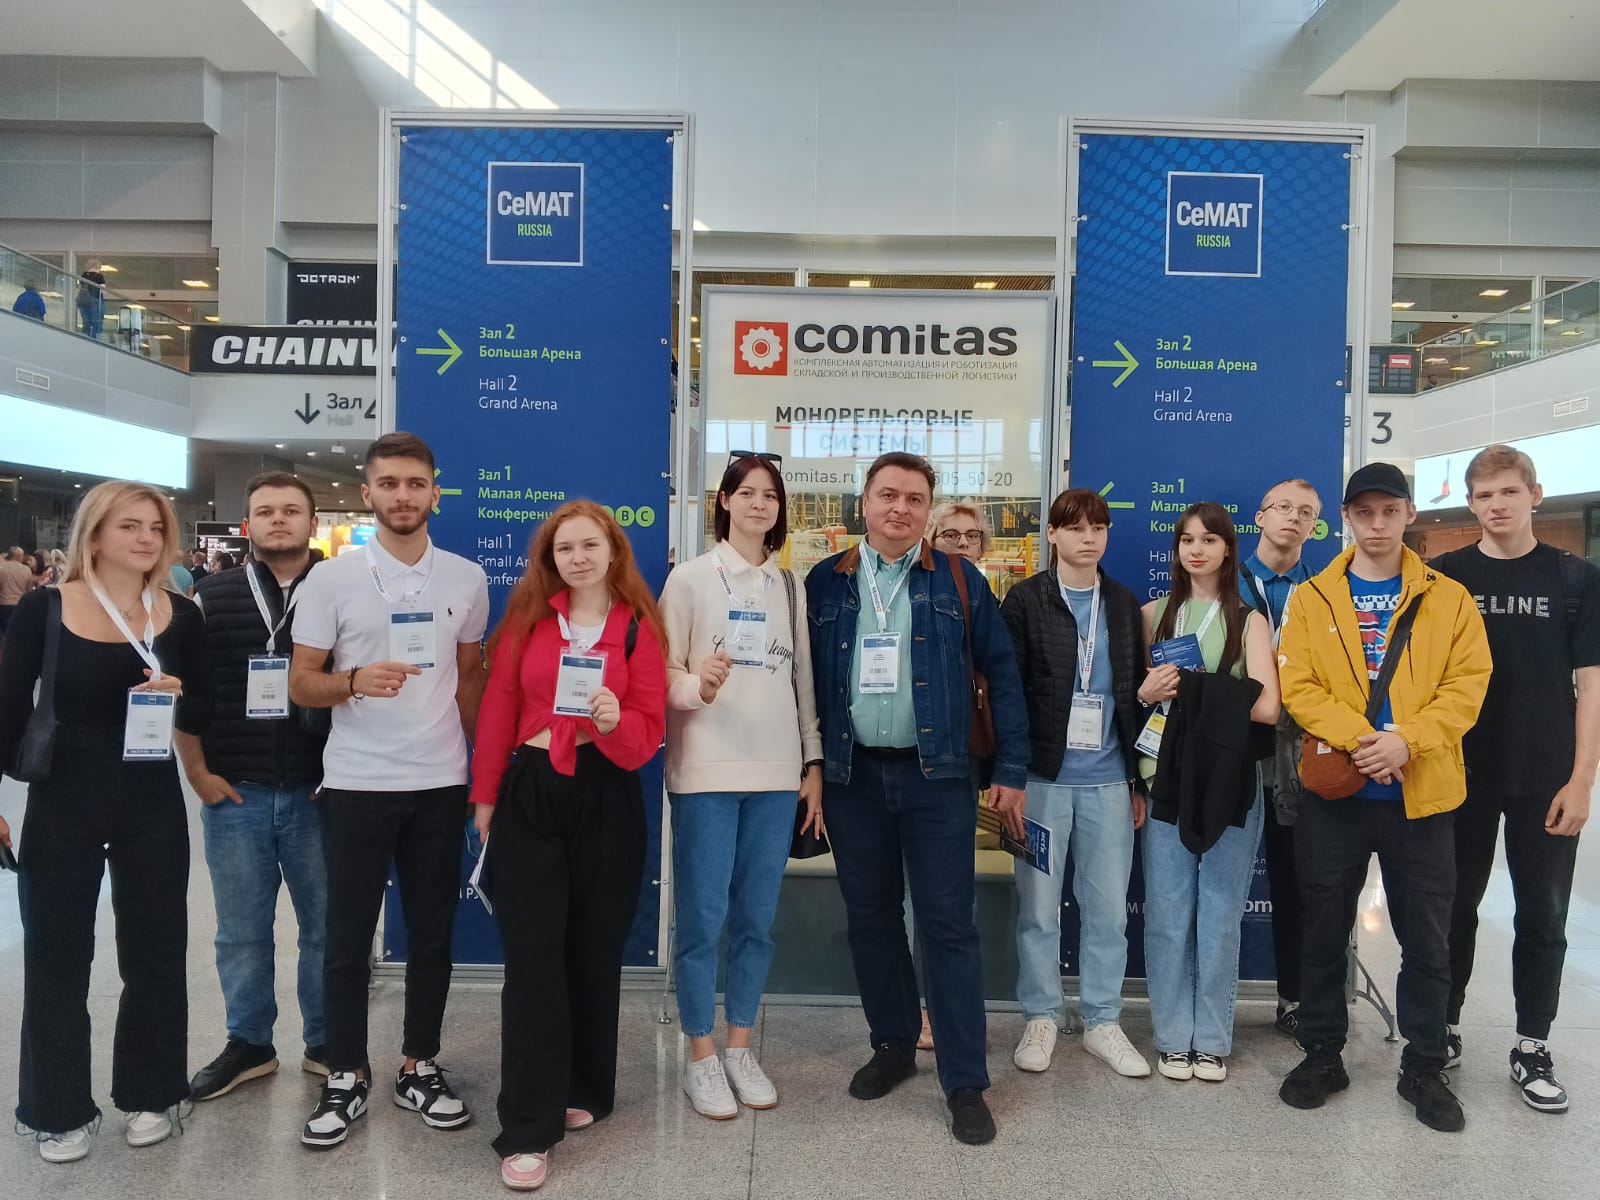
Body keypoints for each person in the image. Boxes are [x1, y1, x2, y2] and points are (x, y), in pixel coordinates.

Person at [805, 451, 1030, 1146]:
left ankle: (964, 1081)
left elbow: (1002, 673)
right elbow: (805, 683)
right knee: (871, 919)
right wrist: (807, 766)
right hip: (852, 779)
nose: (899, 508)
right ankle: (894, 1045)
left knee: (948, 926)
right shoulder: (826, 580)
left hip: (939, 777)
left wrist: (1011, 768)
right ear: (864, 503)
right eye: (887, 495)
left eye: (913, 498)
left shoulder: (960, 579)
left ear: (928, 511)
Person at [288, 432, 489, 1150]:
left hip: (439, 782)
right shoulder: (330, 580)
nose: (403, 496)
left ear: (435, 491)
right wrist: (351, 681)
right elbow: (300, 681)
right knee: (346, 938)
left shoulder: (466, 578)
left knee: (433, 935)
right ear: (367, 492)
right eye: (389, 484)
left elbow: (469, 678)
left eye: (415, 483)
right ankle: (345, 1073)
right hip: (357, 784)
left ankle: (419, 1066)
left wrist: (483, 773)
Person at [1277, 462, 1491, 1133]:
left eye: (1389, 512)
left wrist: (1407, 742)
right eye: (1363, 512)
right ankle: (1322, 1054)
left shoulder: (1449, 599)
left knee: (1427, 941)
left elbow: (1468, 685)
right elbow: (1298, 686)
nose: (1376, 525)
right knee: (1322, 933)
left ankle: (1424, 1065)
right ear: (1346, 518)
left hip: (1421, 798)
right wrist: (1366, 740)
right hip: (1337, 798)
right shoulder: (1313, 597)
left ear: (1408, 515)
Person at [0, 481, 209, 1162]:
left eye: (156, 527)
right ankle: (56, 1109)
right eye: (130, 526)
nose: (147, 538)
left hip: (150, 795)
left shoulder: (180, 615)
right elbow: (6, 707)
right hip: (65, 794)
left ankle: (152, 1092)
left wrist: (181, 694)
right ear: (94, 534)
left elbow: (205, 709)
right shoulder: (45, 608)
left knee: (155, 950)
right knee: (56, 953)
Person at [470, 502, 666, 1191]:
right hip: (531, 789)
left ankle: (585, 1084)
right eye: (564, 549)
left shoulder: (637, 627)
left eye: (589, 546)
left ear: (613, 552)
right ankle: (527, 1125)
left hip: (606, 792)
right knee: (532, 961)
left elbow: (647, 734)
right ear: (549, 559)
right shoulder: (529, 620)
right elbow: (498, 707)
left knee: (593, 950)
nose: (578, 558)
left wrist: (614, 722)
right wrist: (485, 799)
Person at [1430, 445, 1600, 1113]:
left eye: (1507, 491)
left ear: (1535, 494)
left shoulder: (1574, 578)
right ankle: (1442, 1029)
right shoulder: (1446, 576)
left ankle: (1532, 1045)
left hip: (1545, 776)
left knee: (1544, 916)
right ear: (1470, 504)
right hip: (1460, 773)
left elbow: (1591, 686)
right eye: (1483, 495)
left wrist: (1582, 779)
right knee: (1452, 909)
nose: (1496, 505)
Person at [659, 453, 823, 1120]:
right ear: (723, 501)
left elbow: (802, 681)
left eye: (770, 495)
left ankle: (739, 1046)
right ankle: (700, 1053)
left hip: (775, 775)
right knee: (702, 919)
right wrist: (695, 686)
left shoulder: (789, 586)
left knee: (756, 921)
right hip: (705, 772)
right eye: (747, 492)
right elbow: (661, 671)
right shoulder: (690, 579)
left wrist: (811, 763)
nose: (759, 504)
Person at [176, 472, 331, 1101]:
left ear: (312, 524)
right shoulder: (209, 596)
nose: (278, 520)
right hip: (235, 790)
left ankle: (327, 1042)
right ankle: (250, 1043)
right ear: (247, 526)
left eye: (291, 510)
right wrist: (197, 772)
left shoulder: (342, 588)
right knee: (240, 931)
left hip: (321, 791)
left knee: (326, 928)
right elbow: (187, 690)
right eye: (265, 511)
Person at [1000, 488, 1149, 1077]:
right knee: (1038, 909)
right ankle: (1041, 1015)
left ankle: (1103, 1020)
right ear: (1053, 534)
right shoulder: (1025, 600)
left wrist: (1137, 780)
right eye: (1076, 527)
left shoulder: (1123, 603)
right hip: (1041, 783)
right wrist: (1009, 777)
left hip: (1109, 784)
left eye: (1099, 527)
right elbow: (1009, 695)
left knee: (1108, 910)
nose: (1089, 537)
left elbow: (1133, 696)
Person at [1137, 502, 1279, 1083]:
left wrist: (1197, 690)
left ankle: (1213, 1040)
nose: (1196, 550)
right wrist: (1149, 691)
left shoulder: (1249, 621)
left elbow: (1269, 708)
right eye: (1187, 540)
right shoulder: (1153, 615)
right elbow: (1135, 696)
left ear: (1227, 549)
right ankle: (1173, 1038)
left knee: (1220, 916)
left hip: (1228, 782)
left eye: (1209, 540)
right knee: (1168, 915)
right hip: (1163, 778)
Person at [909, 497, 996, 1051]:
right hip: (910, 760)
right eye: (950, 535)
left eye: (972, 536)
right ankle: (917, 1008)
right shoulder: (913, 589)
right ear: (931, 540)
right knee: (911, 899)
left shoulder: (982, 594)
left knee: (950, 902)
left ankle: (950, 1010)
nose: (962, 544)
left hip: (960, 762)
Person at [1239, 479, 1323, 1042]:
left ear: (1315, 526)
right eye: (1283, 507)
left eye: (1306, 512)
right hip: (1235, 750)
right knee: (1218, 883)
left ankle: (1295, 997)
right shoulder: (1222, 581)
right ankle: (1209, 1002)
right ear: (1260, 516)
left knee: (1298, 883)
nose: (1293, 518)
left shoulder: (1324, 591)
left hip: (1299, 756)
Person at [0, 547, 34, 633]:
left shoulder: (2, 568)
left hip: (4, 604)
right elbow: (29, 590)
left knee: (4, 631)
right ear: (19, 557)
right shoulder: (26, 570)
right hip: (20, 604)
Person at [76, 260, 105, 339]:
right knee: (97, 322)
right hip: (96, 300)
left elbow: (79, 287)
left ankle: (85, 338)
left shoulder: (83, 275)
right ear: (97, 266)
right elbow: (102, 289)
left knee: (86, 322)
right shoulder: (99, 276)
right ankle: (96, 340)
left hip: (83, 301)